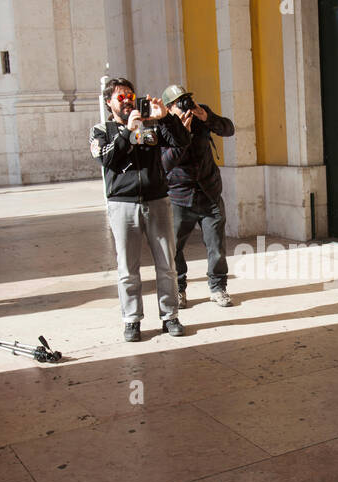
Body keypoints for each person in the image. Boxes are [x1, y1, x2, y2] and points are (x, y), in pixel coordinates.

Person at [90, 77, 188, 342]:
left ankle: (170, 316)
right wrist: (126, 133)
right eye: (120, 98)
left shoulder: (152, 127)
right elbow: (106, 158)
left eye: (130, 96)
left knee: (167, 264)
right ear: (109, 102)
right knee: (128, 268)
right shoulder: (102, 130)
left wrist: (166, 118)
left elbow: (181, 142)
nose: (127, 102)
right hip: (123, 205)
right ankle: (132, 320)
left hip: (157, 201)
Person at [159, 84, 234, 308]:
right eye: (179, 103)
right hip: (179, 196)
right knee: (174, 247)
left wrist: (207, 117)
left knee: (217, 246)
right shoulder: (163, 127)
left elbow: (229, 129)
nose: (185, 106)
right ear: (168, 107)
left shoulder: (202, 115)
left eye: (187, 100)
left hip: (209, 192)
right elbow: (164, 163)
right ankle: (179, 288)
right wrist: (181, 134)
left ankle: (218, 287)